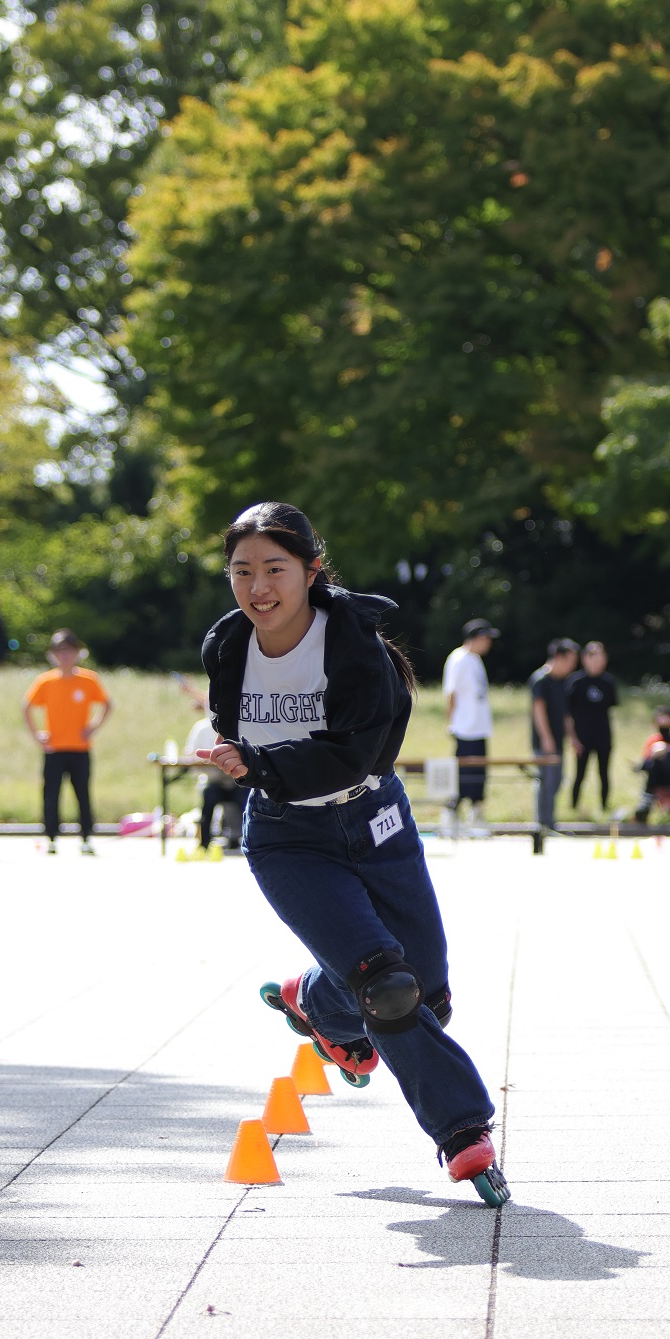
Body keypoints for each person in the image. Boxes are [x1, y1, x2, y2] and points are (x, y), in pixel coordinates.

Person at [196, 500, 509, 1203]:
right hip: (286, 836)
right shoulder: (227, 645)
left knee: (428, 997)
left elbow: (354, 756)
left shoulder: (356, 650)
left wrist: (260, 762)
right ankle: (463, 1131)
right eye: (241, 571)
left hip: (375, 820)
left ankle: (317, 999)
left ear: (311, 570)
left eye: (274, 569)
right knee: (389, 989)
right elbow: (230, 724)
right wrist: (242, 760)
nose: (258, 588)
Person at [23, 630, 111, 854]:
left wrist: (93, 726)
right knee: (51, 794)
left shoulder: (88, 680)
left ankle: (86, 837)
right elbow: (27, 707)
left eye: (69, 651)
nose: (65, 656)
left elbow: (106, 704)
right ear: (53, 655)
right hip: (54, 748)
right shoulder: (46, 681)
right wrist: (37, 734)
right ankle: (51, 837)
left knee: (82, 794)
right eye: (60, 651)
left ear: (77, 653)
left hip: (80, 748)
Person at [441, 617, 499, 835]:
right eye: (487, 638)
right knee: (463, 777)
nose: (489, 643)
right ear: (477, 637)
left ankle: (475, 817)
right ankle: (451, 817)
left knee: (479, 777)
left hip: (479, 728)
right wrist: (451, 722)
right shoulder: (459, 658)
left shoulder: (476, 660)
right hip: (465, 728)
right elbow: (451, 693)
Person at [529, 638, 579, 831]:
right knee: (546, 782)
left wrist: (572, 737)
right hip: (545, 742)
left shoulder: (563, 682)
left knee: (557, 780)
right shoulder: (540, 680)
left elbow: (565, 714)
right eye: (570, 661)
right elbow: (538, 710)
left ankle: (549, 821)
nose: (573, 666)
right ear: (558, 657)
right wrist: (546, 737)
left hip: (558, 740)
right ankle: (543, 823)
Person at [183, 707, 247, 853]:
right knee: (209, 797)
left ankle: (245, 838)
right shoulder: (201, 729)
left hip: (237, 781)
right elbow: (191, 756)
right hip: (213, 781)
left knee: (247, 798)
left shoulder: (239, 726)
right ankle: (204, 842)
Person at [567, 641, 619, 814]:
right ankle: (573, 807)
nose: (598, 662)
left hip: (603, 735)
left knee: (604, 773)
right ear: (585, 659)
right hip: (582, 736)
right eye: (594, 658)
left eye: (601, 658)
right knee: (579, 773)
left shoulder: (608, 682)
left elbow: (611, 706)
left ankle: (604, 806)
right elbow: (567, 713)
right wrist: (573, 738)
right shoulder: (576, 682)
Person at [633, 707, 670, 823]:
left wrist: (668, 750)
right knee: (657, 763)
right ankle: (645, 806)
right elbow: (646, 765)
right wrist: (652, 755)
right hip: (658, 778)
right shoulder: (653, 741)